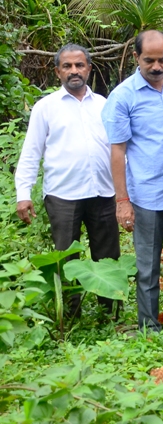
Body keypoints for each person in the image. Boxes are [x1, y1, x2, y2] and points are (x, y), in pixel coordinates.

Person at [15, 44, 120, 316]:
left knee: (108, 256)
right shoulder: (46, 108)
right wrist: (23, 194)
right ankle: (70, 316)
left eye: (79, 65)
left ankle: (109, 312)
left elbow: (119, 150)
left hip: (103, 193)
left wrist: (125, 193)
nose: (74, 71)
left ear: (89, 68)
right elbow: (31, 152)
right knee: (66, 257)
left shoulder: (104, 105)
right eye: (67, 66)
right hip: (63, 196)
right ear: (57, 72)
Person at [102, 31, 163, 332]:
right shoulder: (123, 96)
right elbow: (118, 152)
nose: (156, 67)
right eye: (149, 60)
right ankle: (149, 324)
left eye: (162, 60)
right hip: (147, 196)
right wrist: (122, 201)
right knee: (148, 266)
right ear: (136, 57)